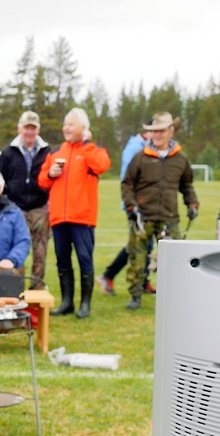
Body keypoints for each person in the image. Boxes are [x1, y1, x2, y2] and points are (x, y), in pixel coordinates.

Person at [38, 108, 111, 319]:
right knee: (62, 261)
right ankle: (67, 302)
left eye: (71, 124)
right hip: (59, 216)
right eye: (65, 124)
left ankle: (85, 304)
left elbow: (102, 166)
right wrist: (50, 174)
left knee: (84, 260)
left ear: (83, 128)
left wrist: (87, 145)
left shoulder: (93, 150)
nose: (66, 128)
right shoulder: (55, 152)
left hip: (83, 217)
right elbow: (42, 180)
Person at [122, 112, 199, 311]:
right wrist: (131, 206)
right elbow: (127, 184)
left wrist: (192, 204)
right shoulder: (140, 158)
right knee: (137, 258)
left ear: (170, 131)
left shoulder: (181, 159)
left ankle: (173, 295)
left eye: (161, 131)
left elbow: (187, 185)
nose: (157, 135)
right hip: (142, 216)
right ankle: (135, 295)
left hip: (169, 217)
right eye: (154, 131)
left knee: (175, 260)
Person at [96, 120, 155, 296]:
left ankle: (143, 281)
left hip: (148, 205)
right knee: (136, 245)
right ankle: (108, 275)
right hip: (136, 206)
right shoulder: (134, 148)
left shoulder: (147, 146)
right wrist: (133, 204)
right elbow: (128, 179)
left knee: (147, 245)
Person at [0, 111, 52, 289]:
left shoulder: (47, 151)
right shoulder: (8, 152)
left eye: (33, 128)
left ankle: (37, 288)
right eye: (26, 128)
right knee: (17, 250)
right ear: (20, 129)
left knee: (40, 251)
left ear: (38, 130)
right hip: (16, 208)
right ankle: (16, 288)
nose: (29, 132)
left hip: (40, 207)